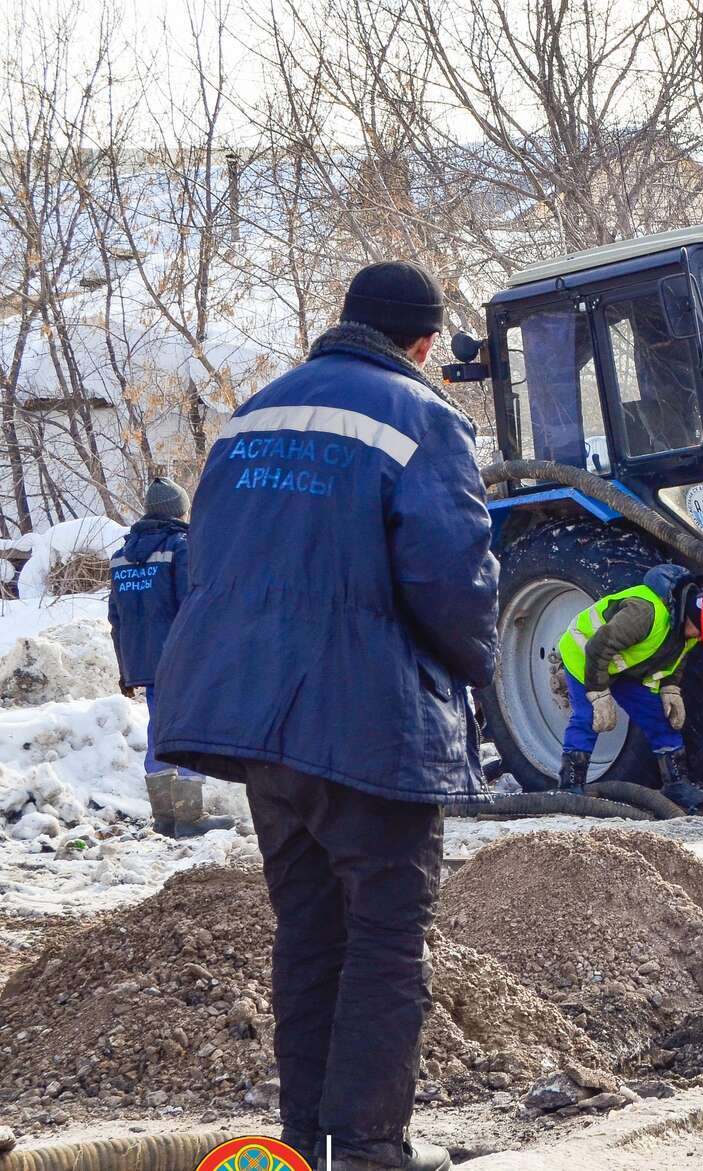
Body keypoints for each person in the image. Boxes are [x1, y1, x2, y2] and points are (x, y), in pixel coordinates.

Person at [153, 260, 497, 1171]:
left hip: (258, 723)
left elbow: (210, 561)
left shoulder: (252, 416)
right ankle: (372, 1149)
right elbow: (451, 577)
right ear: (423, 343)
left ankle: (303, 1141)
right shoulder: (425, 418)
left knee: (307, 931)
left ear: (345, 320)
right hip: (365, 722)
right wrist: (479, 670)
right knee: (386, 932)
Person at [558, 564, 703, 812]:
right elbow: (598, 647)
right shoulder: (645, 613)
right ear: (691, 616)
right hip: (585, 657)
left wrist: (670, 689)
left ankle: (676, 784)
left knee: (660, 717)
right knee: (589, 717)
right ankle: (570, 787)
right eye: (700, 632)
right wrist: (598, 693)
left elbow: (675, 661)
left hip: (625, 667)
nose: (699, 638)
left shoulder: (687, 630)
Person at [109, 476, 223, 838]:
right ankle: (189, 816)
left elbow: (116, 618)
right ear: (178, 510)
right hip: (180, 657)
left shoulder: (120, 556)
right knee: (190, 727)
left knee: (160, 725)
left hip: (142, 659)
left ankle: (164, 817)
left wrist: (125, 670)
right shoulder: (181, 547)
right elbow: (193, 606)